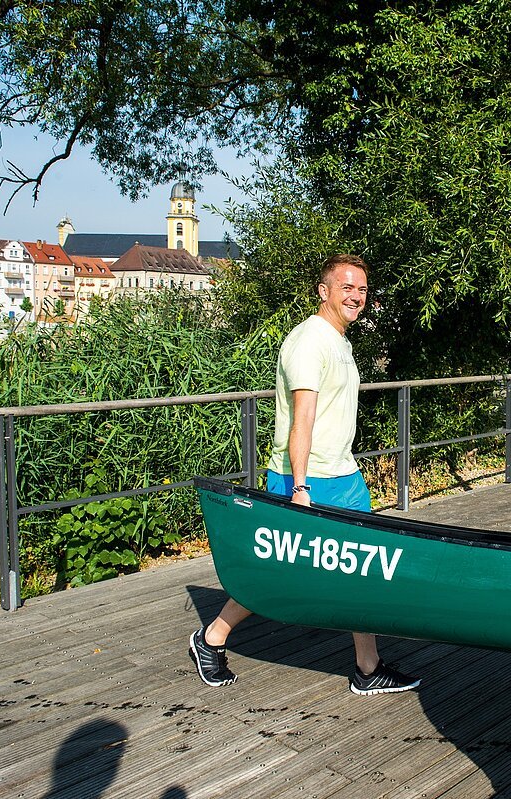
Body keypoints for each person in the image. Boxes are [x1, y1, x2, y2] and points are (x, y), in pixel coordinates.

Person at [189, 253, 420, 696]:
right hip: (307, 478)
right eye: (346, 287)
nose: (356, 295)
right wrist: (299, 488)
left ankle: (368, 668)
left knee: (364, 571)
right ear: (324, 291)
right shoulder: (309, 341)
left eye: (362, 289)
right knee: (284, 573)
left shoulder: (339, 341)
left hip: (345, 476)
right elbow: (302, 420)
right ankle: (211, 636)